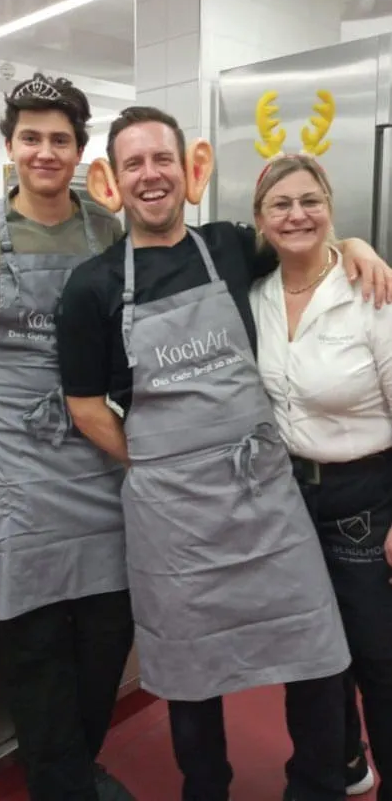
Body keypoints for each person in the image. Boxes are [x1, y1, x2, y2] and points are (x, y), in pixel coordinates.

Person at [55, 105, 392, 801]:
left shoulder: (231, 248)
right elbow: (85, 407)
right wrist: (158, 462)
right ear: (113, 180)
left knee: (314, 650)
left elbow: (306, 239)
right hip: (171, 510)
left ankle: (317, 784)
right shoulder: (90, 288)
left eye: (163, 158)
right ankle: (204, 788)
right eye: (134, 163)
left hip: (265, 497)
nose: (151, 174)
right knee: (190, 666)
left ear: (191, 169)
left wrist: (359, 243)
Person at [0, 74, 136, 801]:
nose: (44, 152)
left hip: (93, 447)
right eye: (31, 138)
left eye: (59, 139)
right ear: (10, 146)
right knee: (34, 636)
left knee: (107, 626)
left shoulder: (105, 230)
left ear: (80, 151)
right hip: (12, 456)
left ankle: (72, 765)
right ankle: (63, 783)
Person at [249, 153, 392, 801]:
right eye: (280, 204)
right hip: (286, 498)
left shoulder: (370, 294)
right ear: (260, 220)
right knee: (306, 653)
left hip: (363, 495)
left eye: (310, 200)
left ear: (330, 209)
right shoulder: (254, 297)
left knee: (377, 655)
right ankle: (331, 771)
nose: (296, 214)